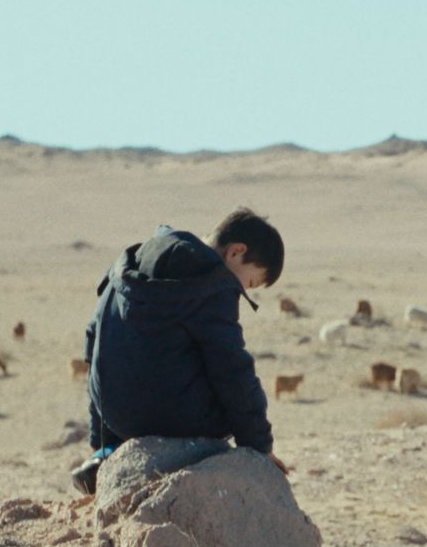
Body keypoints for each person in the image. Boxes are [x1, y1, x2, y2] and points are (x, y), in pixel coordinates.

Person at [72, 207, 289, 494]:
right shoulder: (212, 283)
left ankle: (107, 453)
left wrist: (99, 439)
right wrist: (259, 446)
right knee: (232, 404)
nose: (243, 291)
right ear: (236, 252)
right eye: (249, 283)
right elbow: (231, 368)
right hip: (164, 416)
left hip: (112, 412)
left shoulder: (130, 261)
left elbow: (94, 341)